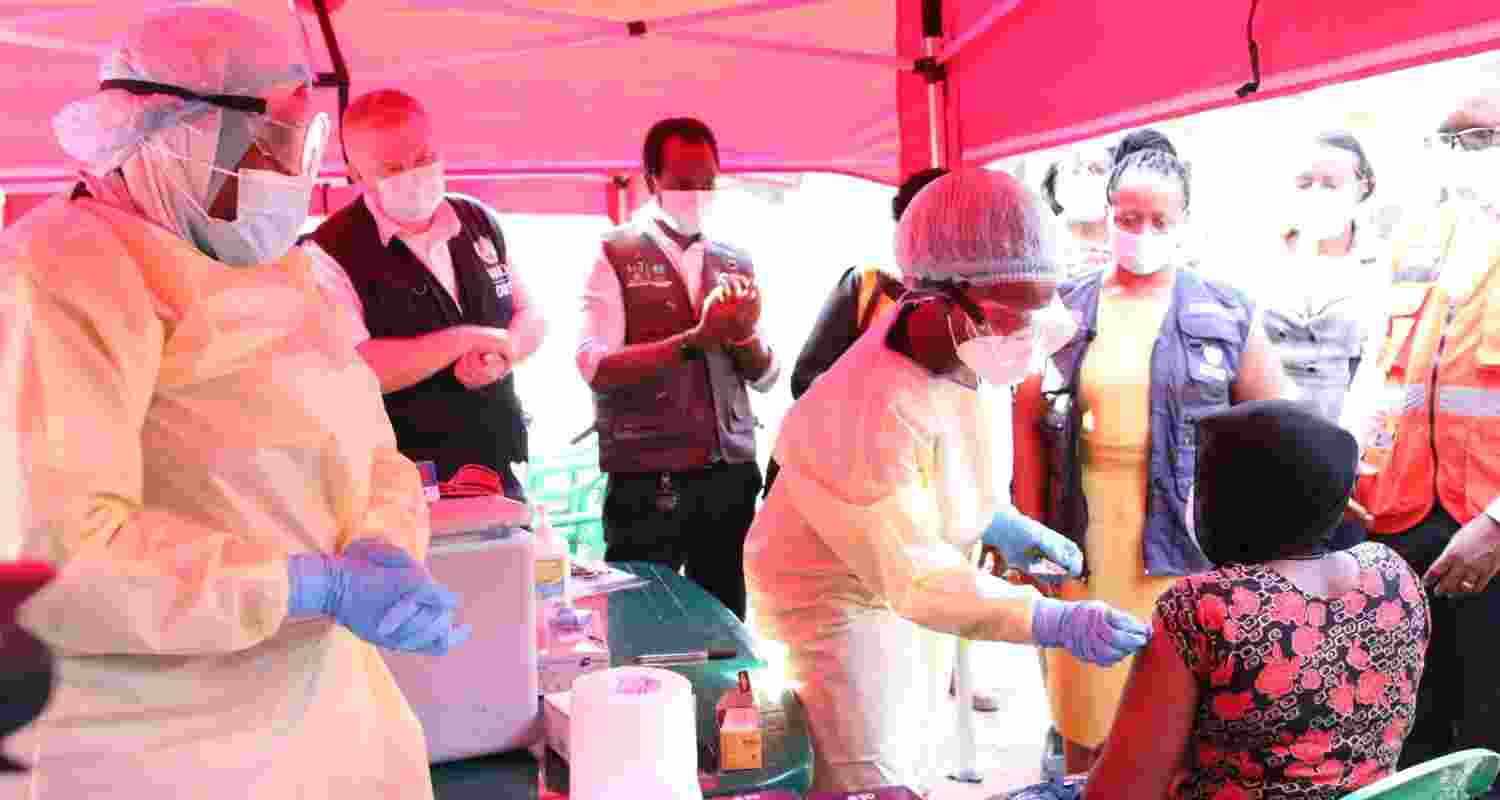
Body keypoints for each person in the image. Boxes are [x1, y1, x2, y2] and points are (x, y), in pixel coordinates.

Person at [0, 9, 467, 798]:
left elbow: (369, 448)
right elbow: (53, 559)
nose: (290, 171)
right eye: (273, 139)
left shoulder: (276, 269)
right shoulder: (60, 276)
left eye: (300, 141)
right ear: (176, 126)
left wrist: (385, 542)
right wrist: (302, 585)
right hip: (164, 753)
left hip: (324, 724)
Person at [745, 169, 1152, 794]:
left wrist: (996, 519)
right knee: (867, 775)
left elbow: (948, 469)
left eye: (1034, 310)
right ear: (931, 295)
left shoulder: (966, 351)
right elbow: (916, 577)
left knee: (913, 751)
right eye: (1007, 314)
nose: (1021, 333)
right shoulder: (864, 405)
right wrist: (1048, 621)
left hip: (896, 591)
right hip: (833, 610)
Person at [1013, 143, 1290, 774]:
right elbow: (1025, 424)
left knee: (1176, 716)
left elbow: (1277, 429)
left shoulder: (1226, 310)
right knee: (1087, 708)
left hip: (1185, 543)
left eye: (1159, 221)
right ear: (1106, 215)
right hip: (1081, 542)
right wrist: (1028, 536)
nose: (1140, 233)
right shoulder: (1063, 308)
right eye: (1127, 217)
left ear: (1186, 223)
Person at [1083, 400, 1429, 800]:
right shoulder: (1393, 576)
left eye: (1206, 479)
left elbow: (1120, 793)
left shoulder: (1204, 606)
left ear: (1235, 498)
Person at [1351, 91, 1500, 785]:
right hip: (1404, 521)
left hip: (1491, 529)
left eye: (1480, 139)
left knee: (1485, 739)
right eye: (1448, 140)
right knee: (1402, 734)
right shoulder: (1419, 239)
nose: (1461, 158)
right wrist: (1351, 483)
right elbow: (1380, 377)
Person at [577, 117, 779, 620]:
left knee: (726, 621)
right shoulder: (614, 253)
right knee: (643, 618)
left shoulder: (735, 259)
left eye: (707, 182)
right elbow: (594, 366)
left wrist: (742, 336)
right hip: (648, 479)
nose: (697, 194)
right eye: (683, 183)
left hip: (728, 475)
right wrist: (694, 339)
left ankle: (724, 702)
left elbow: (770, 375)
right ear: (651, 181)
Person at [304, 90, 543, 500]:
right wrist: (464, 340)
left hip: (496, 466)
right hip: (400, 482)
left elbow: (530, 313)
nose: (415, 174)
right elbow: (358, 367)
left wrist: (506, 353)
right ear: (356, 172)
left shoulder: (478, 221)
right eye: (394, 168)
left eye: (424, 158)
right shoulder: (327, 252)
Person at [1257, 131, 1389, 551]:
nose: (1316, 193)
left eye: (1331, 184)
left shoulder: (1385, 264)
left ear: (1362, 187)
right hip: (1263, 452)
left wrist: (1341, 463)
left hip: (1342, 458)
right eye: (1304, 182)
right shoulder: (1255, 258)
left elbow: (1376, 369)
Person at [1039, 148, 1113, 279]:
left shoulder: (1128, 235)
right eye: (1076, 171)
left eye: (1097, 170)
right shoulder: (1045, 244)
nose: (1087, 178)